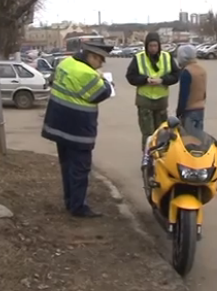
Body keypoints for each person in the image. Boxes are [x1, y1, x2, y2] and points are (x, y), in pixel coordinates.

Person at [41, 42, 114, 218]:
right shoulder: (87, 73)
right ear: (92, 56)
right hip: (77, 129)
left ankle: (70, 201)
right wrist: (104, 79)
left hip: (58, 124)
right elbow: (103, 92)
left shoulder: (66, 63)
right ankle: (78, 207)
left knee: (66, 166)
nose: (101, 65)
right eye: (100, 60)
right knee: (80, 169)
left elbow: (53, 81)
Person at [126, 32, 181, 151]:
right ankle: (147, 158)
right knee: (148, 133)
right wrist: (145, 80)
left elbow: (176, 75)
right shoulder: (139, 58)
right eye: (150, 46)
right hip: (145, 100)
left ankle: (161, 155)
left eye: (155, 46)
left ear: (159, 45)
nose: (153, 49)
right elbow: (131, 77)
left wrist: (162, 80)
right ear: (146, 46)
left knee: (162, 131)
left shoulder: (167, 57)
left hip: (161, 101)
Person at [175, 45, 207, 131]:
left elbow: (183, 95)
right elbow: (203, 92)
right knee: (198, 137)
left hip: (189, 110)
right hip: (200, 108)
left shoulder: (187, 72)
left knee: (189, 140)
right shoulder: (201, 70)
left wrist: (179, 113)